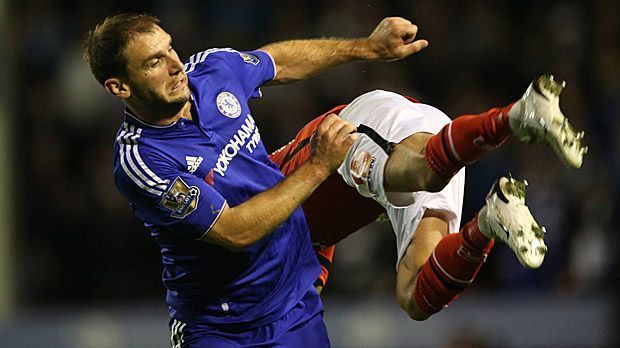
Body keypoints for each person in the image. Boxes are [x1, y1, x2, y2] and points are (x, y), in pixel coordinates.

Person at [83, 12, 428, 347]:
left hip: (293, 307)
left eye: (170, 48)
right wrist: (319, 165)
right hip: (222, 327)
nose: (175, 65)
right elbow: (235, 231)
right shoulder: (141, 160)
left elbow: (277, 61)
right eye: (153, 62)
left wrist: (367, 48)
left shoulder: (211, 71)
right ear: (119, 87)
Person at [270, 75, 587, 319]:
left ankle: (515, 116)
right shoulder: (300, 260)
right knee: (414, 296)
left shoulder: (252, 190)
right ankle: (489, 222)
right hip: (411, 154)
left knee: (424, 173)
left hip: (357, 127)